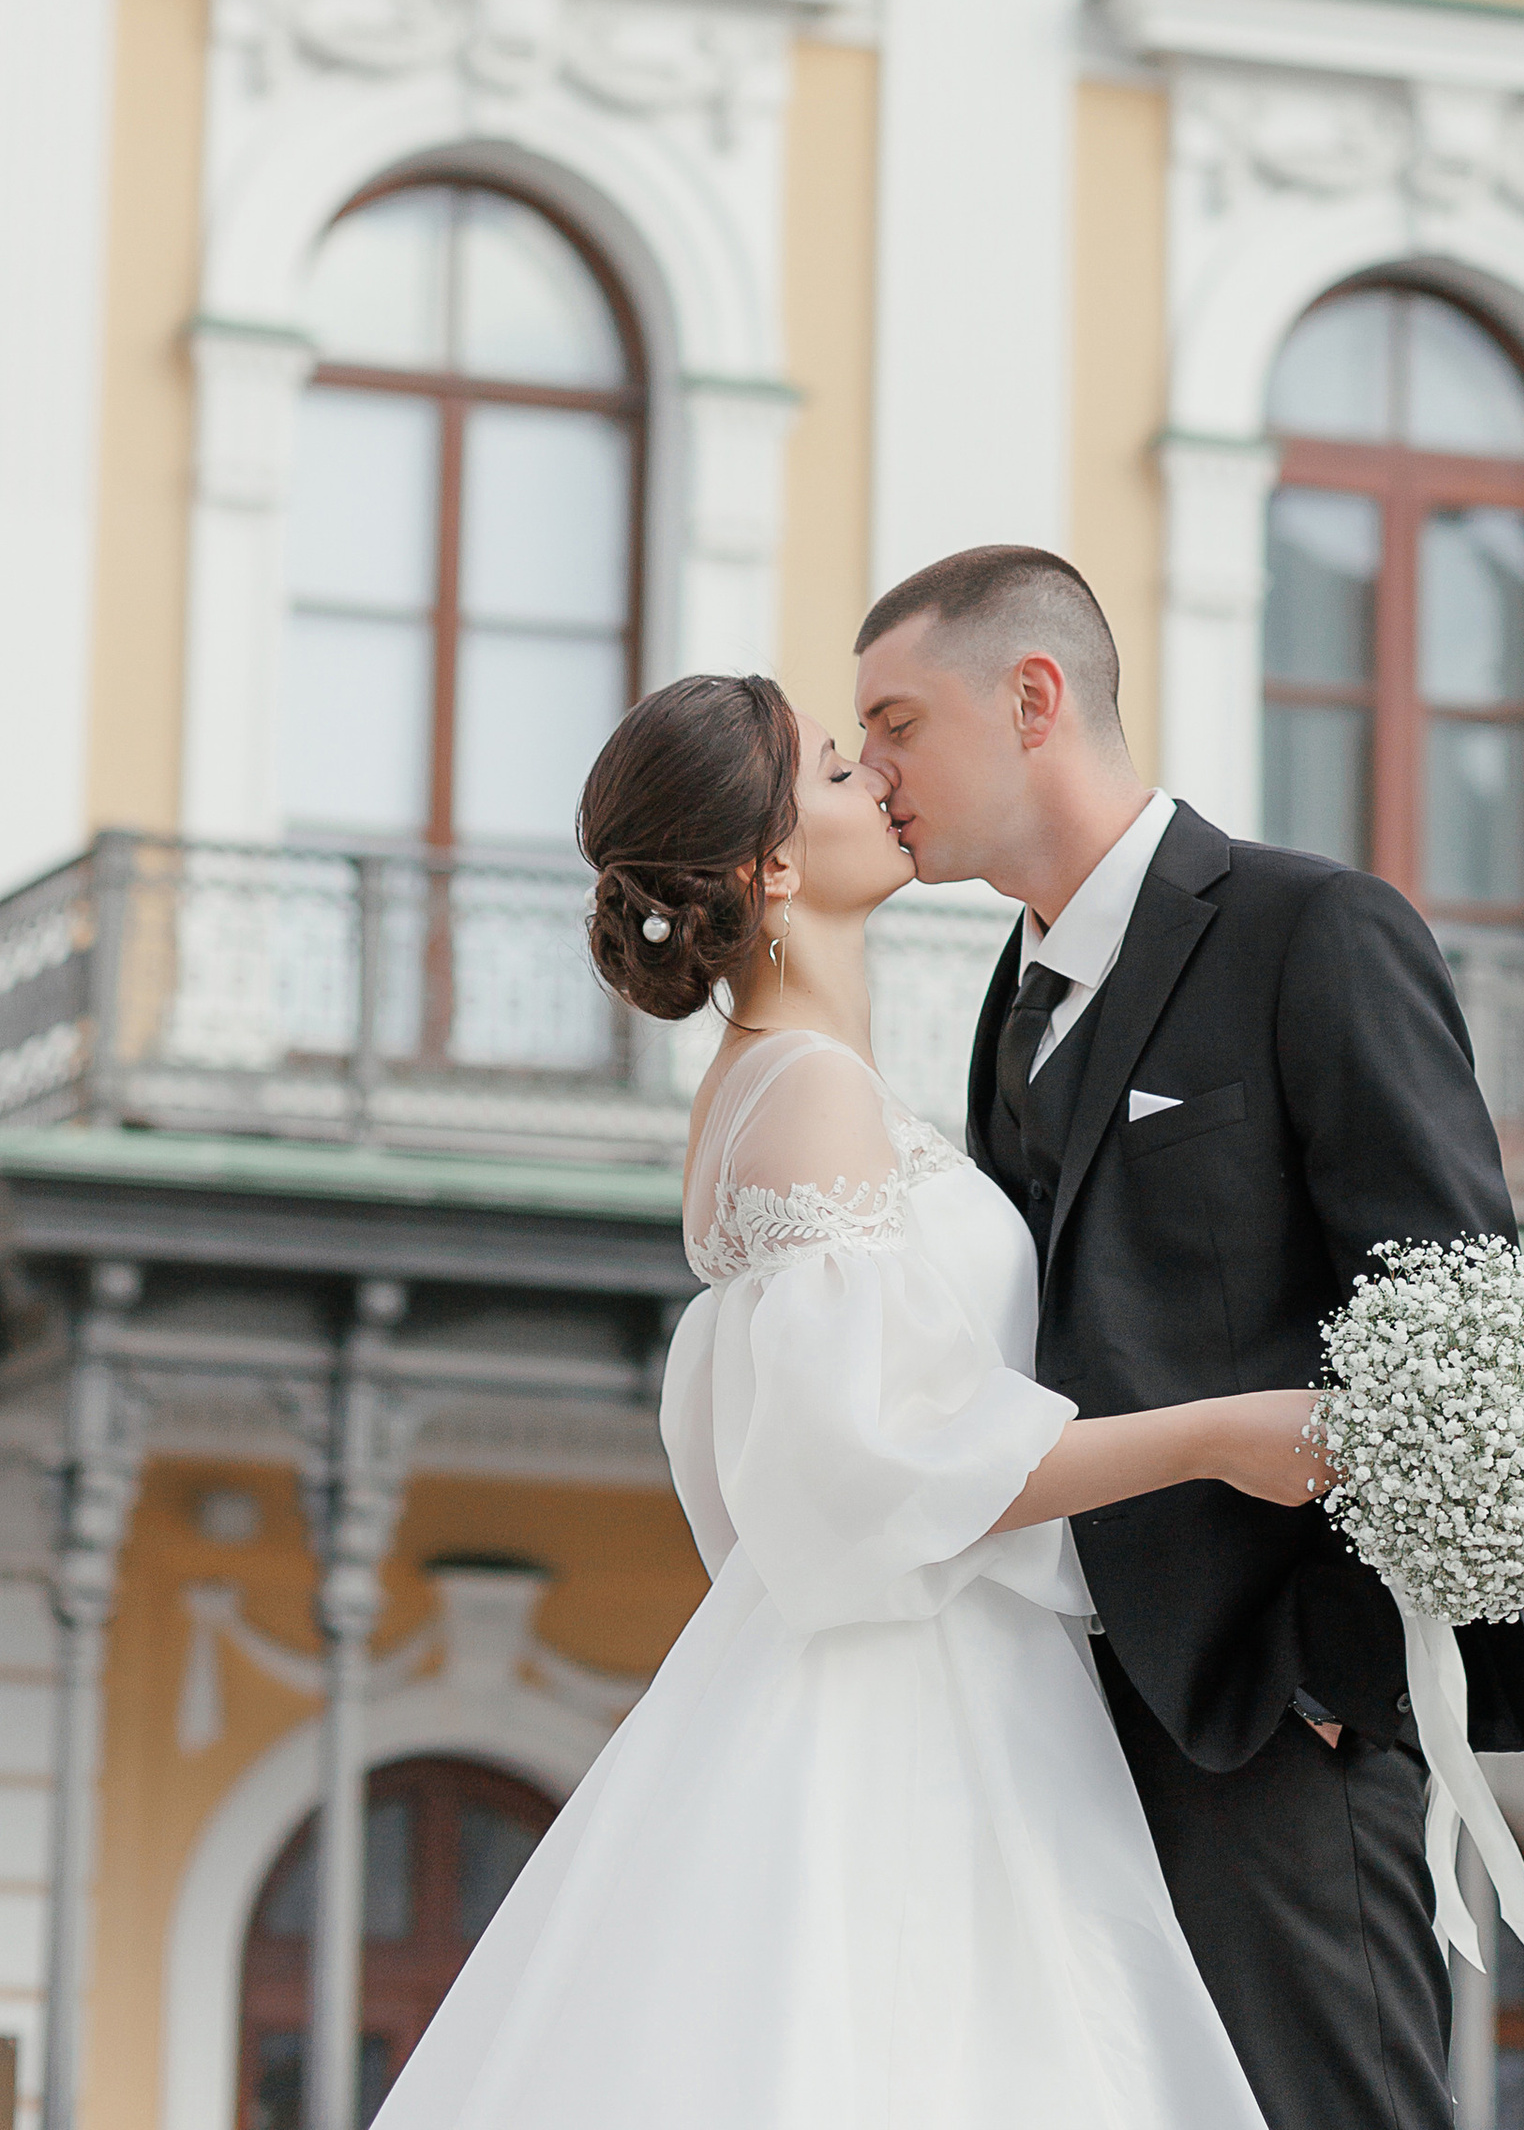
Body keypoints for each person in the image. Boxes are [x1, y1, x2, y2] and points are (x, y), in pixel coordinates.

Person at [370, 670, 1315, 2130]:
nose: (874, 775)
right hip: (906, 1702)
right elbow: (878, 1470)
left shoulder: (806, 1084)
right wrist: (1217, 1435)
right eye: (829, 766)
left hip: (946, 1675)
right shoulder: (808, 1092)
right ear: (773, 868)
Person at [854, 541, 1524, 2130]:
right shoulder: (1011, 996)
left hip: (1273, 1727)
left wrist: (1327, 1674)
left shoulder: (1310, 931)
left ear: (1032, 697)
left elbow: (1468, 1329)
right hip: (1065, 1722)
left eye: (899, 722)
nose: (870, 769)